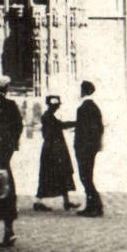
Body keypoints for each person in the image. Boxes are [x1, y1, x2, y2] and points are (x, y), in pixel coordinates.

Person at [33, 95, 76, 210]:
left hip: (54, 148)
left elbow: (60, 125)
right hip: (53, 149)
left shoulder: (49, 115)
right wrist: (76, 123)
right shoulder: (48, 116)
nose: (57, 108)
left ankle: (66, 201)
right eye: (55, 106)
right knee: (50, 174)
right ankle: (38, 202)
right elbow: (60, 126)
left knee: (61, 174)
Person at [74, 80, 104, 216]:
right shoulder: (94, 107)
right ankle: (93, 206)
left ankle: (95, 206)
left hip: (84, 148)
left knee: (85, 177)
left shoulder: (83, 108)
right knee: (87, 177)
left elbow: (83, 130)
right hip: (91, 148)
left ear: (83, 91)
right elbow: (99, 128)